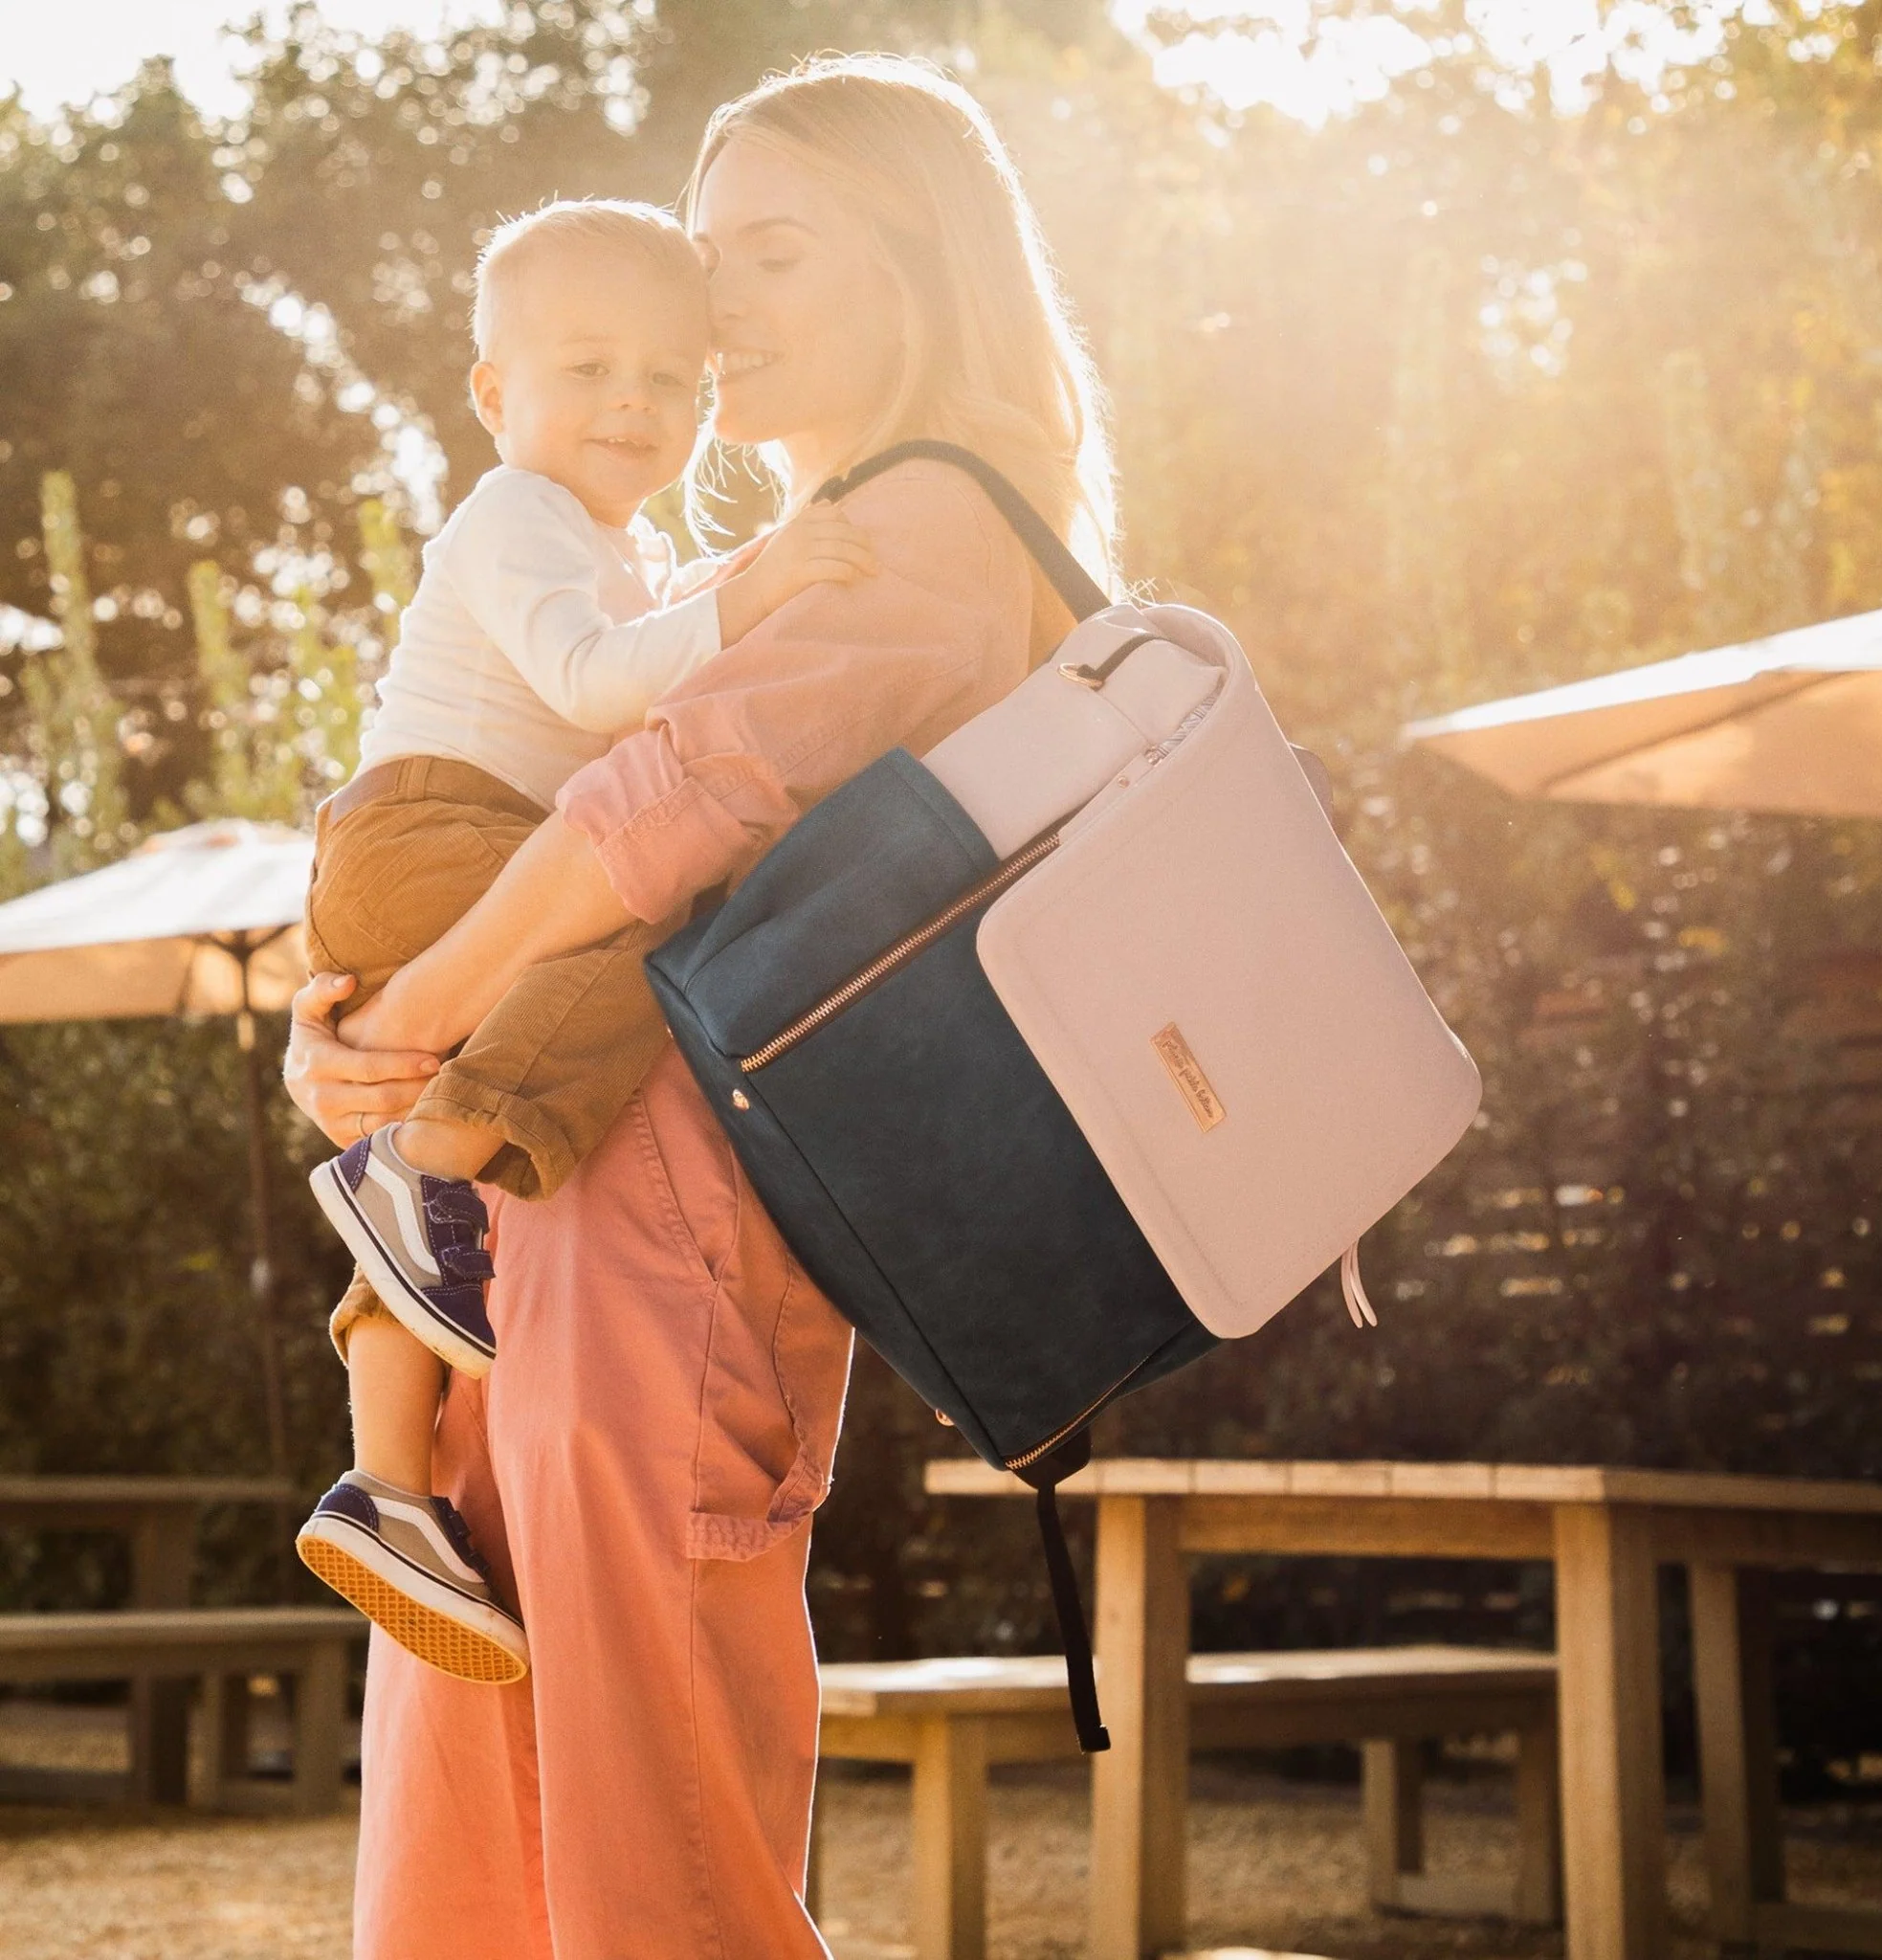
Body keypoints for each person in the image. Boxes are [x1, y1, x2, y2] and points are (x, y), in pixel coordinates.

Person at [284, 53, 1114, 1957]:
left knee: (648, 1806)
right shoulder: (739, 561)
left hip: (664, 1225)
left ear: (919, 269)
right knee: (491, 1751)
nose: (713, 305)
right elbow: (513, 813)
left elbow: (647, 814)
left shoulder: (933, 528)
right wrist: (371, 1028)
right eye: (704, 252)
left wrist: (404, 1018)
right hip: (549, 1193)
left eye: (774, 253)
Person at [294, 196, 873, 1686]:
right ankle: (421, 1173)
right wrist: (767, 582)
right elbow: (596, 678)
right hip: (425, 832)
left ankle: (388, 1490)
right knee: (642, 914)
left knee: (431, 1154)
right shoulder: (516, 517)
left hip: (437, 848)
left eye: (671, 380)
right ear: (495, 397)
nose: (634, 403)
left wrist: (726, 587)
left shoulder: (626, 536)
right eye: (590, 369)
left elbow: (658, 636)